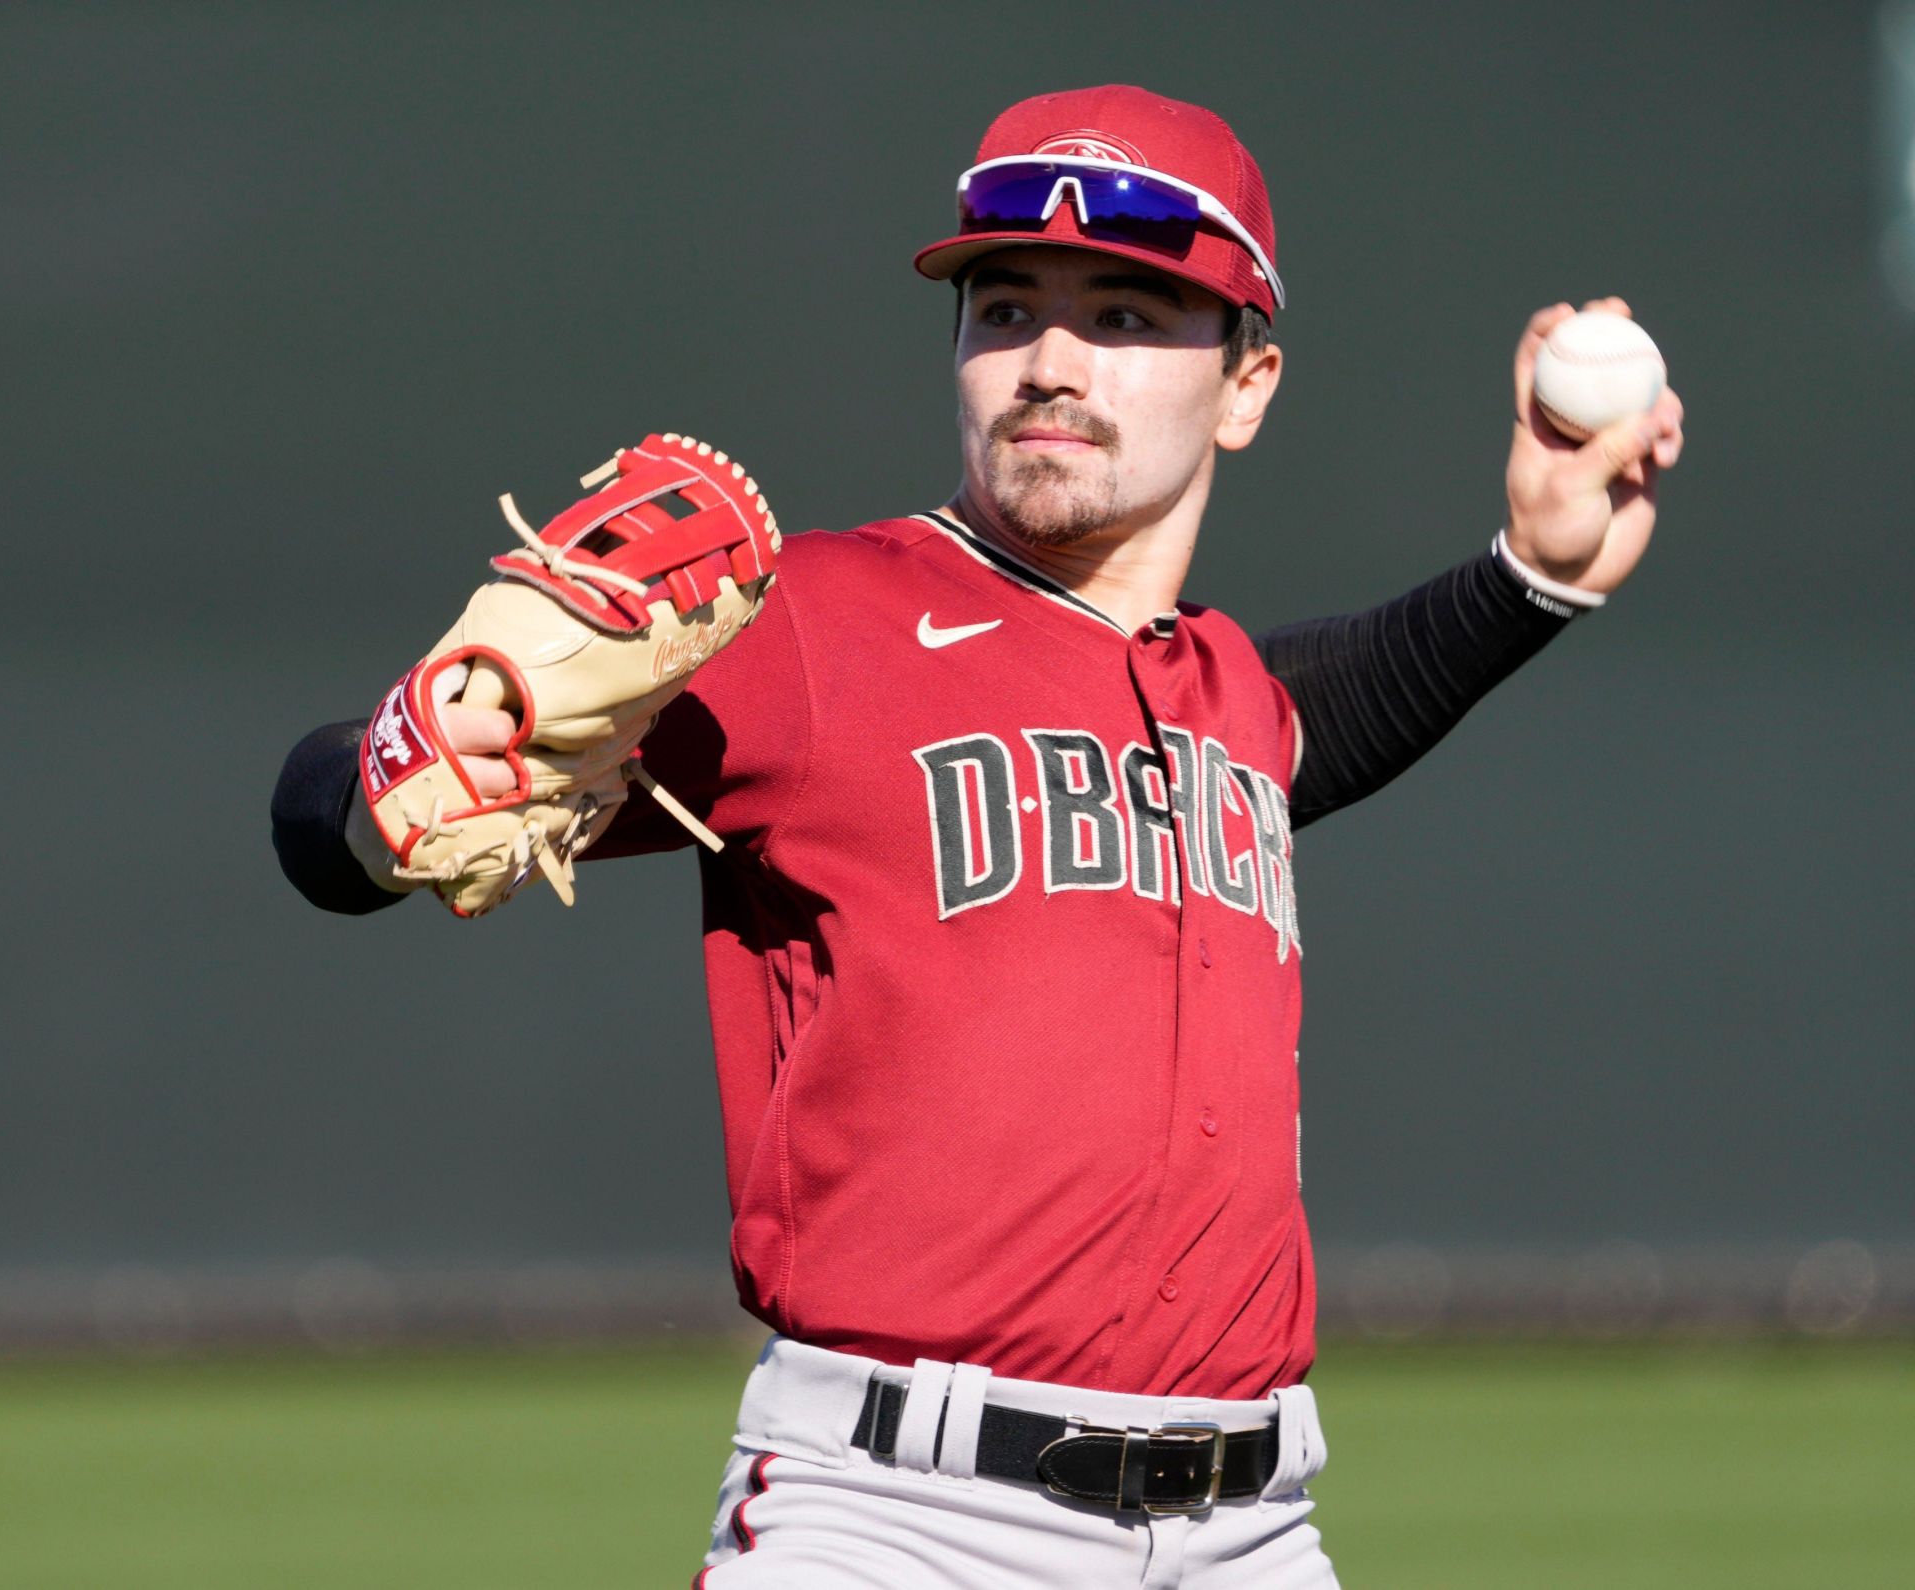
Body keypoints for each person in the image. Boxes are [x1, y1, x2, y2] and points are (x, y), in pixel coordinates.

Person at [273, 84, 1684, 1588]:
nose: (1052, 363)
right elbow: (330, 816)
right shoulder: (814, 626)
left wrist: (1534, 574)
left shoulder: (1226, 700)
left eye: (1130, 316)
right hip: (900, 1519)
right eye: (1006, 306)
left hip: (1257, 1529)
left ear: (1249, 381)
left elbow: (1329, 708)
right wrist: (391, 778)